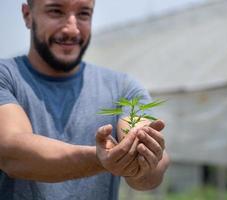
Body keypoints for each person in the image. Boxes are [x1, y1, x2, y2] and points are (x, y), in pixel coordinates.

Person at [0, 0, 170, 199]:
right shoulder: (6, 76)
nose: (72, 29)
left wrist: (142, 160)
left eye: (83, 14)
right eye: (56, 11)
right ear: (27, 15)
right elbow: (10, 151)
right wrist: (103, 159)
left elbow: (149, 169)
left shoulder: (123, 87)